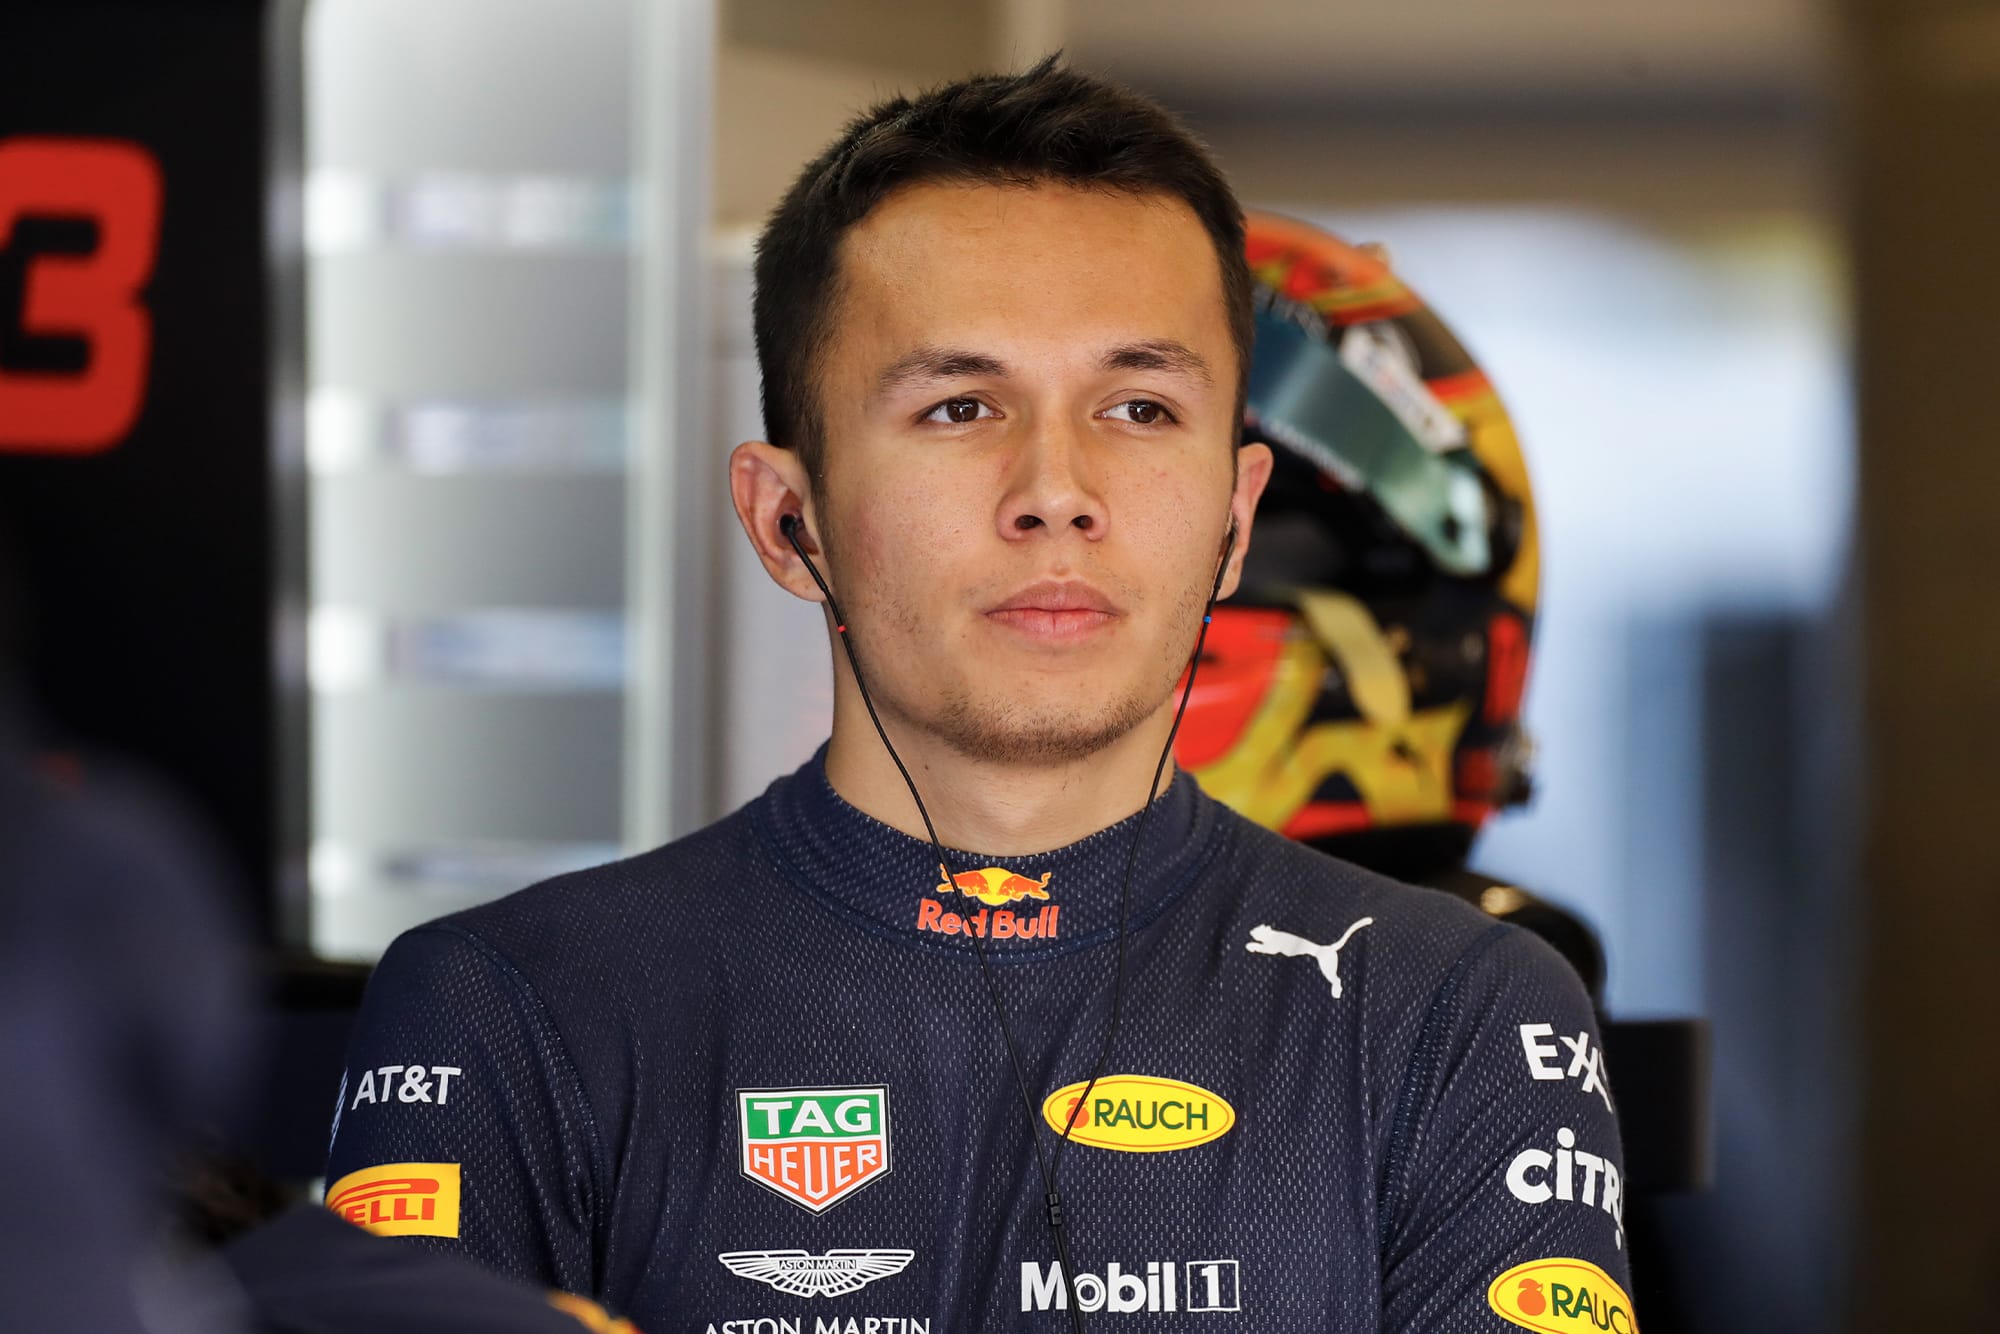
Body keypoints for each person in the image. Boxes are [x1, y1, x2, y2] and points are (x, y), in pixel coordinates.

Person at [326, 57, 1631, 1332]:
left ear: (1236, 522)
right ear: (789, 519)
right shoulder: (505, 1002)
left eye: (1136, 406)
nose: (1055, 489)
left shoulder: (1460, 1013)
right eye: (960, 407)